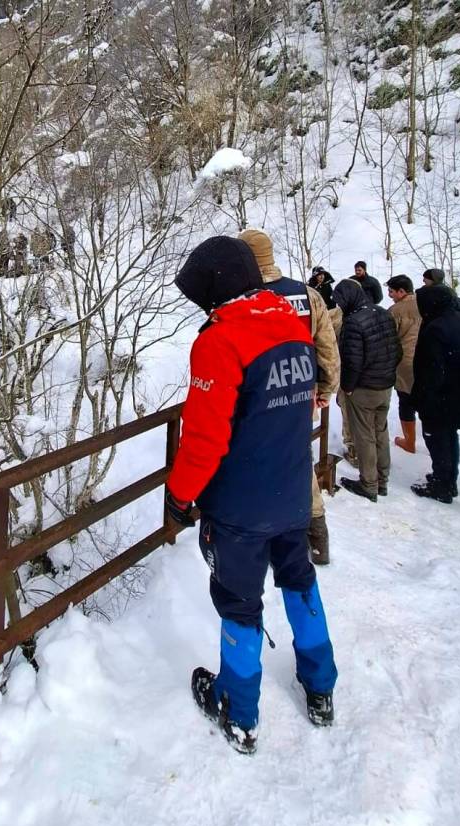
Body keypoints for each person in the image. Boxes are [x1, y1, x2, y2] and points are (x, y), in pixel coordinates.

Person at [164, 235, 338, 754]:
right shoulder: (290, 322)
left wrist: (179, 496)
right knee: (300, 582)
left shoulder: (220, 340)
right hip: (290, 490)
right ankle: (321, 686)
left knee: (239, 602)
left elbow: (205, 436)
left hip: (241, 504)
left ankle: (238, 711)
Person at [239, 229, 340, 566]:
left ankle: (262, 535)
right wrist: (326, 388)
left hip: (257, 399)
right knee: (298, 458)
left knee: (253, 461)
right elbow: (327, 348)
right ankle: (316, 534)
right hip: (299, 395)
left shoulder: (243, 298)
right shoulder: (307, 294)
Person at [332, 280, 401, 501]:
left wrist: (348, 387)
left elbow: (353, 360)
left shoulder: (353, 322)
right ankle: (382, 479)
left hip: (363, 387)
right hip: (384, 384)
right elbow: (396, 349)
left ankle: (369, 483)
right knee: (380, 432)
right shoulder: (382, 313)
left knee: (364, 436)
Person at [410, 285, 460, 503]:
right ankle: (448, 479)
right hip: (456, 389)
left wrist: (423, 396)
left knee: (438, 440)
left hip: (439, 394)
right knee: (449, 437)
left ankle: (442, 484)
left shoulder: (435, 328)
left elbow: (432, 368)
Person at [385, 275, 421, 453]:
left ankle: (410, 441)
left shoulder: (395, 310)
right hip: (427, 359)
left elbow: (389, 339)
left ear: (401, 291)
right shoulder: (426, 303)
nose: (389, 295)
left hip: (405, 361)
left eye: (391, 291)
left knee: (406, 402)